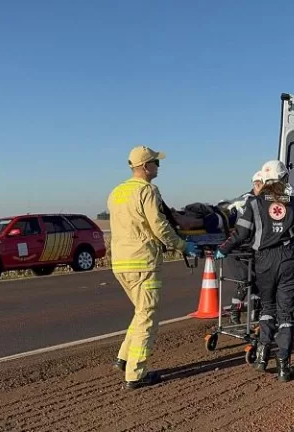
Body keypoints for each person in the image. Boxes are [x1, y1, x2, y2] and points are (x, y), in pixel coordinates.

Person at [107, 145, 200, 390]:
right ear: (146, 166)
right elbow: (158, 226)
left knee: (140, 310)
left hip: (120, 261)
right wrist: (182, 245)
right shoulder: (148, 190)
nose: (159, 166)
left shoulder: (117, 191)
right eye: (156, 163)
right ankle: (136, 373)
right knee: (148, 315)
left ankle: (124, 357)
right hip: (143, 261)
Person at [215, 160, 294, 382]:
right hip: (288, 259)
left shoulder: (254, 204)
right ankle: (284, 368)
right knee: (286, 314)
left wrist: (223, 249)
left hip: (264, 261)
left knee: (267, 308)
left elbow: (240, 234)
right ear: (284, 179)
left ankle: (261, 356)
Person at [225, 170, 265, 325]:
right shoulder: (247, 201)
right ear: (256, 185)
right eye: (260, 185)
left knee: (256, 281)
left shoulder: (259, 201)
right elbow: (240, 228)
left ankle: (255, 314)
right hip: (237, 248)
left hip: (250, 248)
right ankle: (235, 312)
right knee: (244, 281)